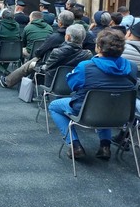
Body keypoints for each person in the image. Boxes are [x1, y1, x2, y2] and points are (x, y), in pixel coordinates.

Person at [49, 29, 138, 160]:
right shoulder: (132, 66)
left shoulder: (85, 66)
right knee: (105, 103)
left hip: (87, 111)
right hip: (121, 114)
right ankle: (105, 146)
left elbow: (72, 85)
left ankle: (74, 145)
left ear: (98, 47)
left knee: (54, 106)